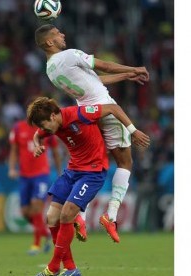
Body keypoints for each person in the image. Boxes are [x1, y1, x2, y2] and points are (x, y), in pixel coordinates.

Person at [35, 24, 150, 243]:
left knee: (93, 163)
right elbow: (104, 66)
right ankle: (111, 216)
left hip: (84, 114)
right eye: (58, 34)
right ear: (50, 42)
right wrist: (134, 68)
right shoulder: (69, 55)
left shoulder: (50, 69)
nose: (63, 34)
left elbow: (93, 81)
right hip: (104, 109)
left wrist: (127, 75)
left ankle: (81, 216)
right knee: (125, 163)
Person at [27, 97, 150, 276]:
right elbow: (37, 135)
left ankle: (52, 268)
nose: (44, 130)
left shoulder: (79, 114)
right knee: (51, 217)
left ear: (53, 116)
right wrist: (37, 145)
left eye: (45, 125)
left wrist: (133, 130)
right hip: (72, 171)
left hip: (93, 172)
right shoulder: (51, 125)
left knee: (67, 213)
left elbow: (113, 108)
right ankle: (71, 269)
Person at [8, 119, 62, 255]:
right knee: (25, 212)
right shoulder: (18, 128)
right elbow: (14, 150)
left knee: (36, 206)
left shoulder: (46, 128)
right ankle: (46, 232)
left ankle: (36, 245)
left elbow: (55, 152)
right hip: (24, 175)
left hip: (41, 175)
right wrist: (12, 168)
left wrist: (60, 172)